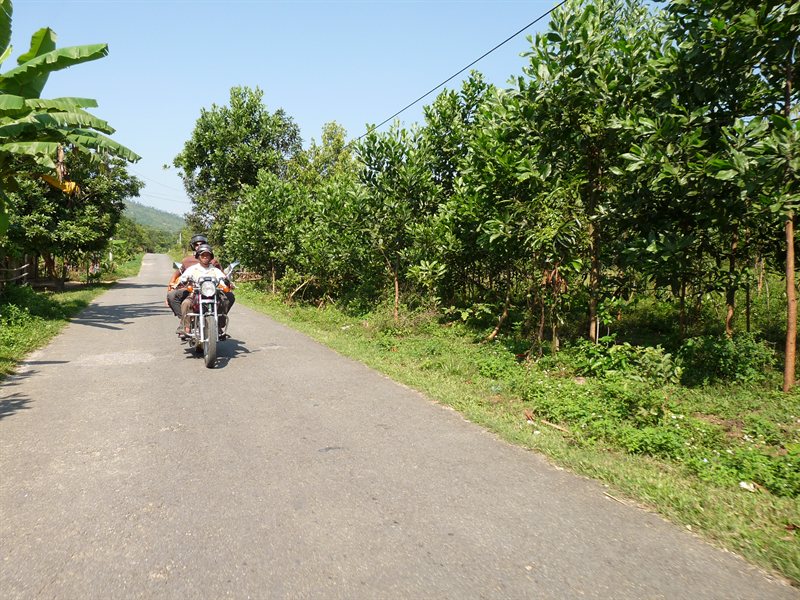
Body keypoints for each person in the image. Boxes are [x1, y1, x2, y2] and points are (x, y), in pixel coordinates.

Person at [177, 244, 232, 335]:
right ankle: (185, 327)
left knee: (225, 301)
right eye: (203, 255)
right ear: (198, 256)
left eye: (207, 255)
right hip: (196, 293)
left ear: (211, 257)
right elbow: (183, 278)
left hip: (213, 294)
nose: (205, 257)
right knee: (185, 303)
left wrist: (226, 282)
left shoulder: (215, 270)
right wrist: (183, 280)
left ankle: (219, 325)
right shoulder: (192, 269)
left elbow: (223, 278)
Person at [166, 234, 224, 318]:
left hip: (210, 288)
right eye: (196, 244)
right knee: (173, 296)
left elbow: (221, 275)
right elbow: (177, 275)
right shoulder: (187, 261)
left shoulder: (213, 262)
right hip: (192, 288)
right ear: (193, 246)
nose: (199, 246)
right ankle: (184, 320)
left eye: (202, 244)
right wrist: (171, 288)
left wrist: (227, 283)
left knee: (228, 297)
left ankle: (219, 320)